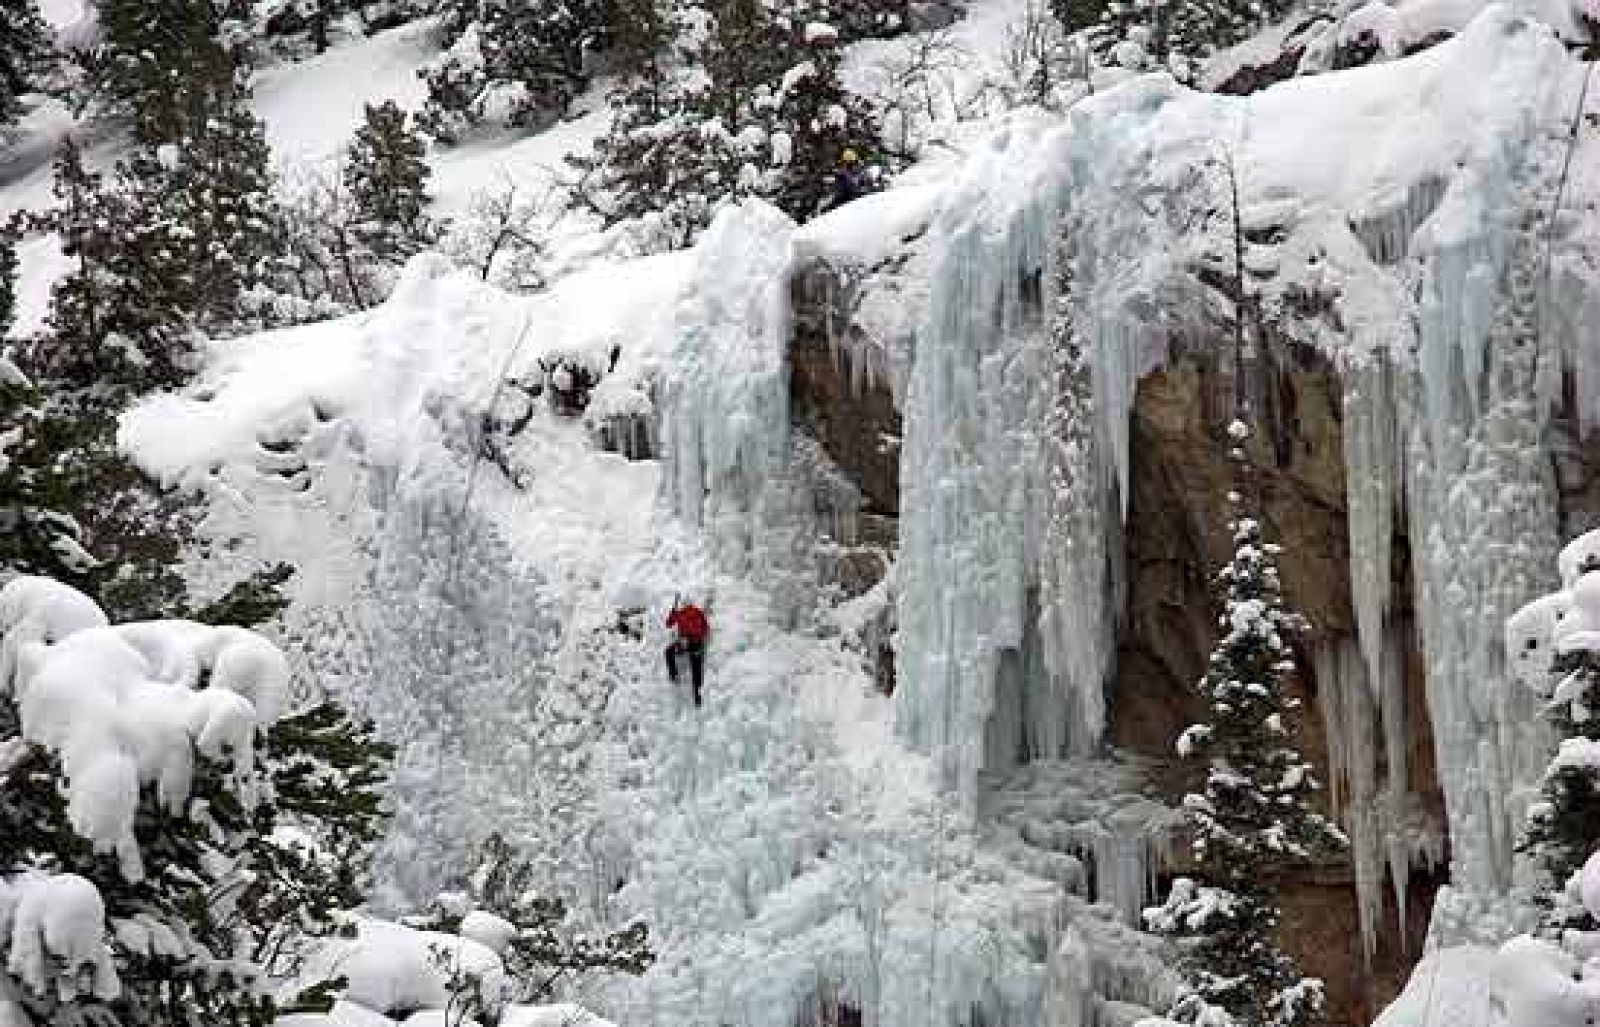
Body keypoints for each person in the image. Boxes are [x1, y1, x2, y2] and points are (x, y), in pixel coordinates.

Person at [665, 599, 710, 707]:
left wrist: (672, 612)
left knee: (669, 652)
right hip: (696, 644)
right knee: (696, 670)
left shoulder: (680, 613)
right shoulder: (698, 612)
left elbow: (668, 624)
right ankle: (698, 696)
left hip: (684, 644)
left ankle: (674, 675)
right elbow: (706, 629)